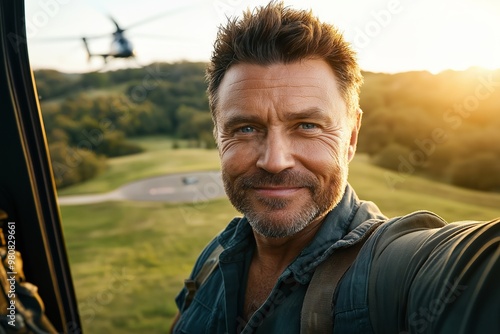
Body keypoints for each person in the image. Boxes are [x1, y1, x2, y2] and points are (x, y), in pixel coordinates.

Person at [170, 1, 500, 333]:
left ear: (352, 137)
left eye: (307, 126)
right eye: (245, 128)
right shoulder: (215, 257)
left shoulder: (392, 271)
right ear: (217, 135)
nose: (274, 161)